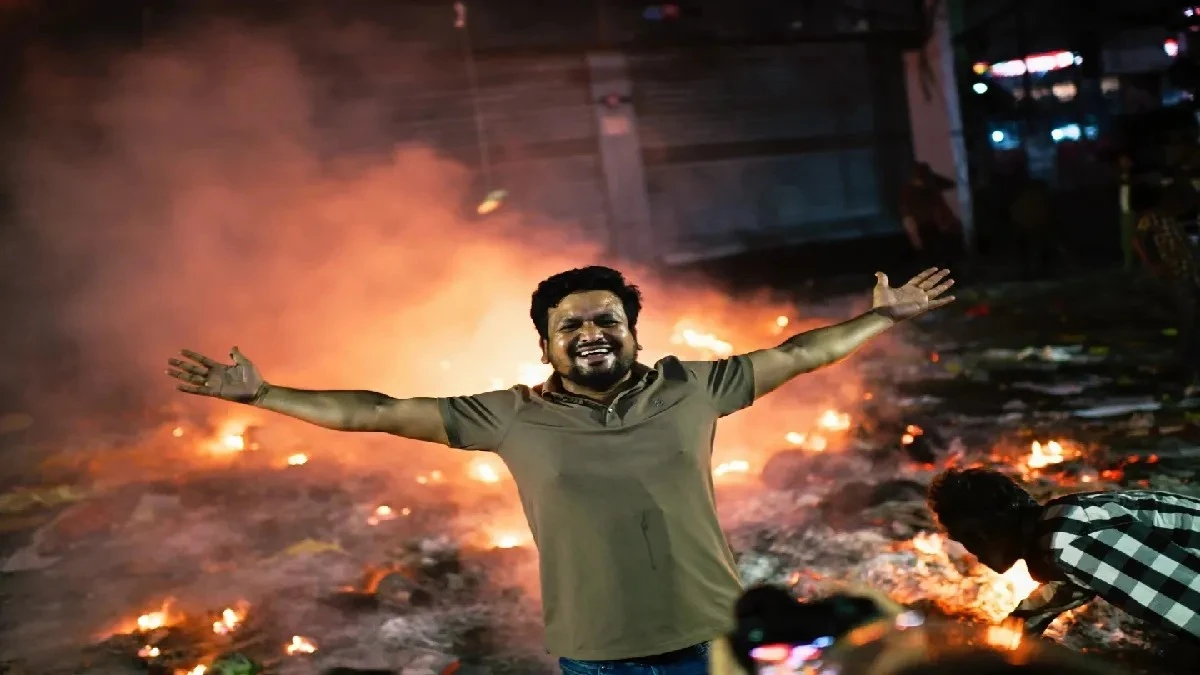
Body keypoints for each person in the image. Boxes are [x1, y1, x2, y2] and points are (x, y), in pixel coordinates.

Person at [166, 265, 956, 675]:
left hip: (712, 639)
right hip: (596, 652)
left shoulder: (693, 386)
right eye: (568, 324)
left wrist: (881, 316)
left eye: (606, 318)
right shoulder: (506, 415)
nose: (589, 331)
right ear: (544, 344)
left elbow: (798, 353)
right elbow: (376, 409)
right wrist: (263, 394)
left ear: (634, 331)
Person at [926, 468, 1200, 641]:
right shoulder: (1059, 526)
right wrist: (1004, 637)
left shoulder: (1067, 540)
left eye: (967, 539)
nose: (973, 552)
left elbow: (1191, 603)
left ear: (983, 531)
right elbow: (1060, 591)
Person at [1134, 181, 1200, 392]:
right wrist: (1153, 264)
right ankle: (1183, 365)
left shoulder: (1170, 220)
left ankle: (1187, 363)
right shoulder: (1153, 217)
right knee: (1188, 320)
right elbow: (1140, 240)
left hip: (1185, 274)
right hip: (1174, 275)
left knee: (1191, 321)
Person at [899, 163, 962, 270]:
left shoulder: (931, 187)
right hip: (925, 227)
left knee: (943, 254)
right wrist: (914, 237)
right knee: (932, 256)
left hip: (938, 226)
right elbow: (907, 217)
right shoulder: (910, 193)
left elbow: (950, 184)